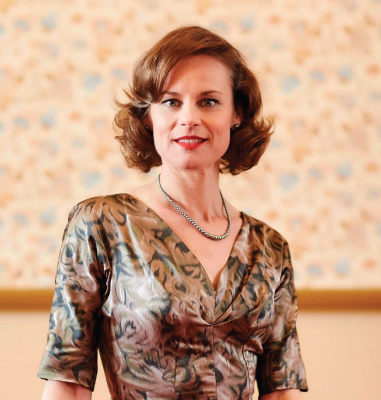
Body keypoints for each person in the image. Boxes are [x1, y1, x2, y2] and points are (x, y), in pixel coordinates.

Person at [38, 25, 308, 400]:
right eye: (170, 102)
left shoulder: (270, 248)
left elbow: (281, 391)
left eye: (208, 101)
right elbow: (67, 381)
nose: (189, 118)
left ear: (237, 113)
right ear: (148, 116)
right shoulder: (101, 224)